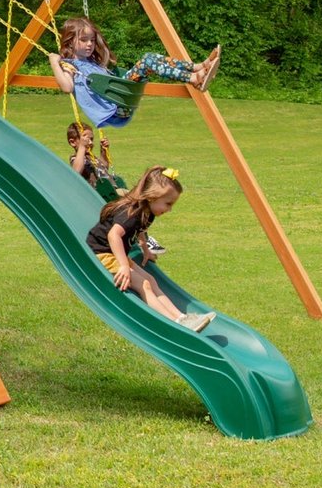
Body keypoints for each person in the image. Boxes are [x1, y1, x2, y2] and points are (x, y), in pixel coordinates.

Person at [85, 166, 213, 332]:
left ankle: (182, 318)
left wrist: (145, 249)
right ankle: (173, 322)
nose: (169, 209)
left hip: (116, 253)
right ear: (152, 197)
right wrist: (124, 266)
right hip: (102, 253)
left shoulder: (148, 212)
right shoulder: (131, 213)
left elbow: (140, 230)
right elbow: (113, 235)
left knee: (151, 280)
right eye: (168, 204)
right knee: (144, 284)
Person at [48, 17, 220, 130]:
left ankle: (198, 67)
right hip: (116, 108)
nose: (89, 44)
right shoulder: (70, 66)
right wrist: (54, 62)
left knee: (150, 57)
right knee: (148, 62)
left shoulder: (91, 61)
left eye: (92, 40)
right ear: (70, 42)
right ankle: (194, 79)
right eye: (84, 40)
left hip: (121, 99)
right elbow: (67, 87)